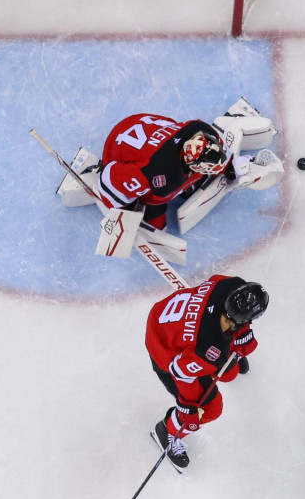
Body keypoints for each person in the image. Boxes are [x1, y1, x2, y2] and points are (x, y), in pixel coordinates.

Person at [145, 274, 269, 470]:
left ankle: (227, 355)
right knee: (212, 408)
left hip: (164, 317)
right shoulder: (211, 351)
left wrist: (239, 337)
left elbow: (213, 282)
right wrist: (187, 406)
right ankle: (167, 430)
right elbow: (180, 372)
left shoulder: (230, 285)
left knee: (229, 373)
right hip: (164, 349)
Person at [98, 114, 237, 231]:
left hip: (142, 125)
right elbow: (110, 178)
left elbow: (213, 143)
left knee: (178, 187)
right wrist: (123, 210)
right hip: (116, 150)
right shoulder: (157, 176)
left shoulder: (199, 129)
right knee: (156, 222)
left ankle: (188, 185)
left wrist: (229, 163)